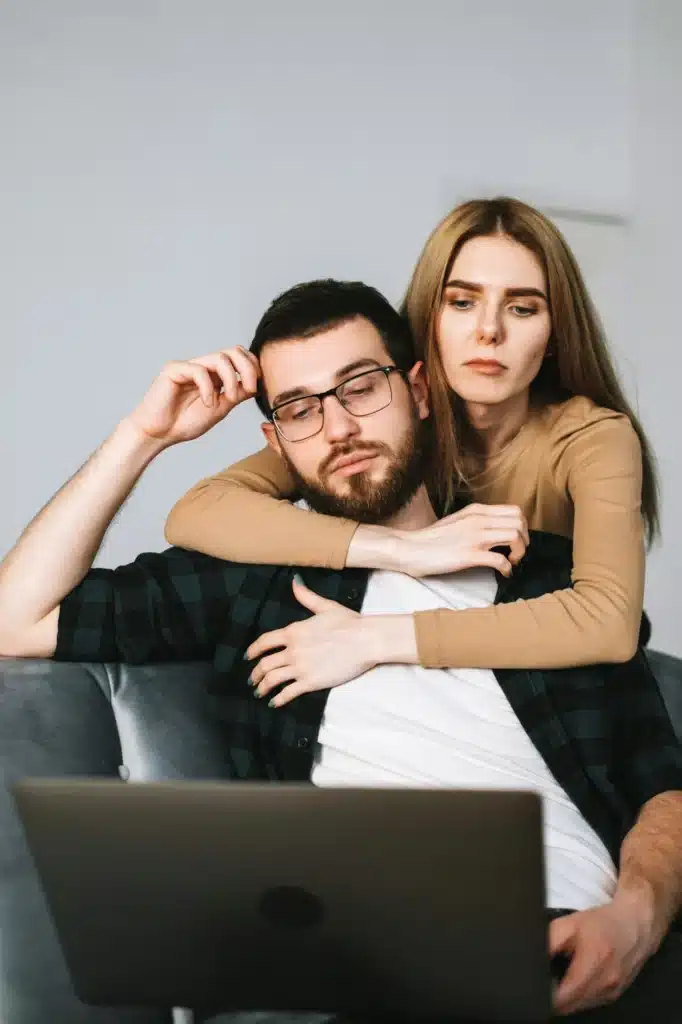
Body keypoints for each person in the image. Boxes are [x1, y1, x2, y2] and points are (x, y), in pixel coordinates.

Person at [0, 280, 680, 1022]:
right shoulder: (253, 584)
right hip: (378, 962)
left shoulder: (550, 580)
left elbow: (663, 787)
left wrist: (636, 920)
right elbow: (16, 620)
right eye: (300, 409)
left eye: (360, 387)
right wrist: (143, 435)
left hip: (584, 945)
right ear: (276, 442)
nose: (337, 427)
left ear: (419, 390)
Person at [164, 197, 658, 673]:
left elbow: (610, 624)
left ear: (555, 335)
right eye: (462, 302)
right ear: (429, 316)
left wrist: (377, 637)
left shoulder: (594, 440)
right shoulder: (387, 413)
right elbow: (199, 511)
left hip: (545, 692)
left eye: (522, 309)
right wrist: (398, 550)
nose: (489, 331)